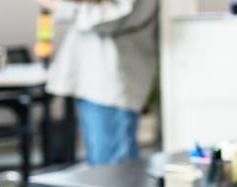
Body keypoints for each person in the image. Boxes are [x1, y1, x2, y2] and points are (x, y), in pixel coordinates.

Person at [40, 0, 158, 166]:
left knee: (112, 171)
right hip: (93, 87)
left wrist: (59, 6)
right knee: (102, 168)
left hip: (110, 90)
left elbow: (115, 17)